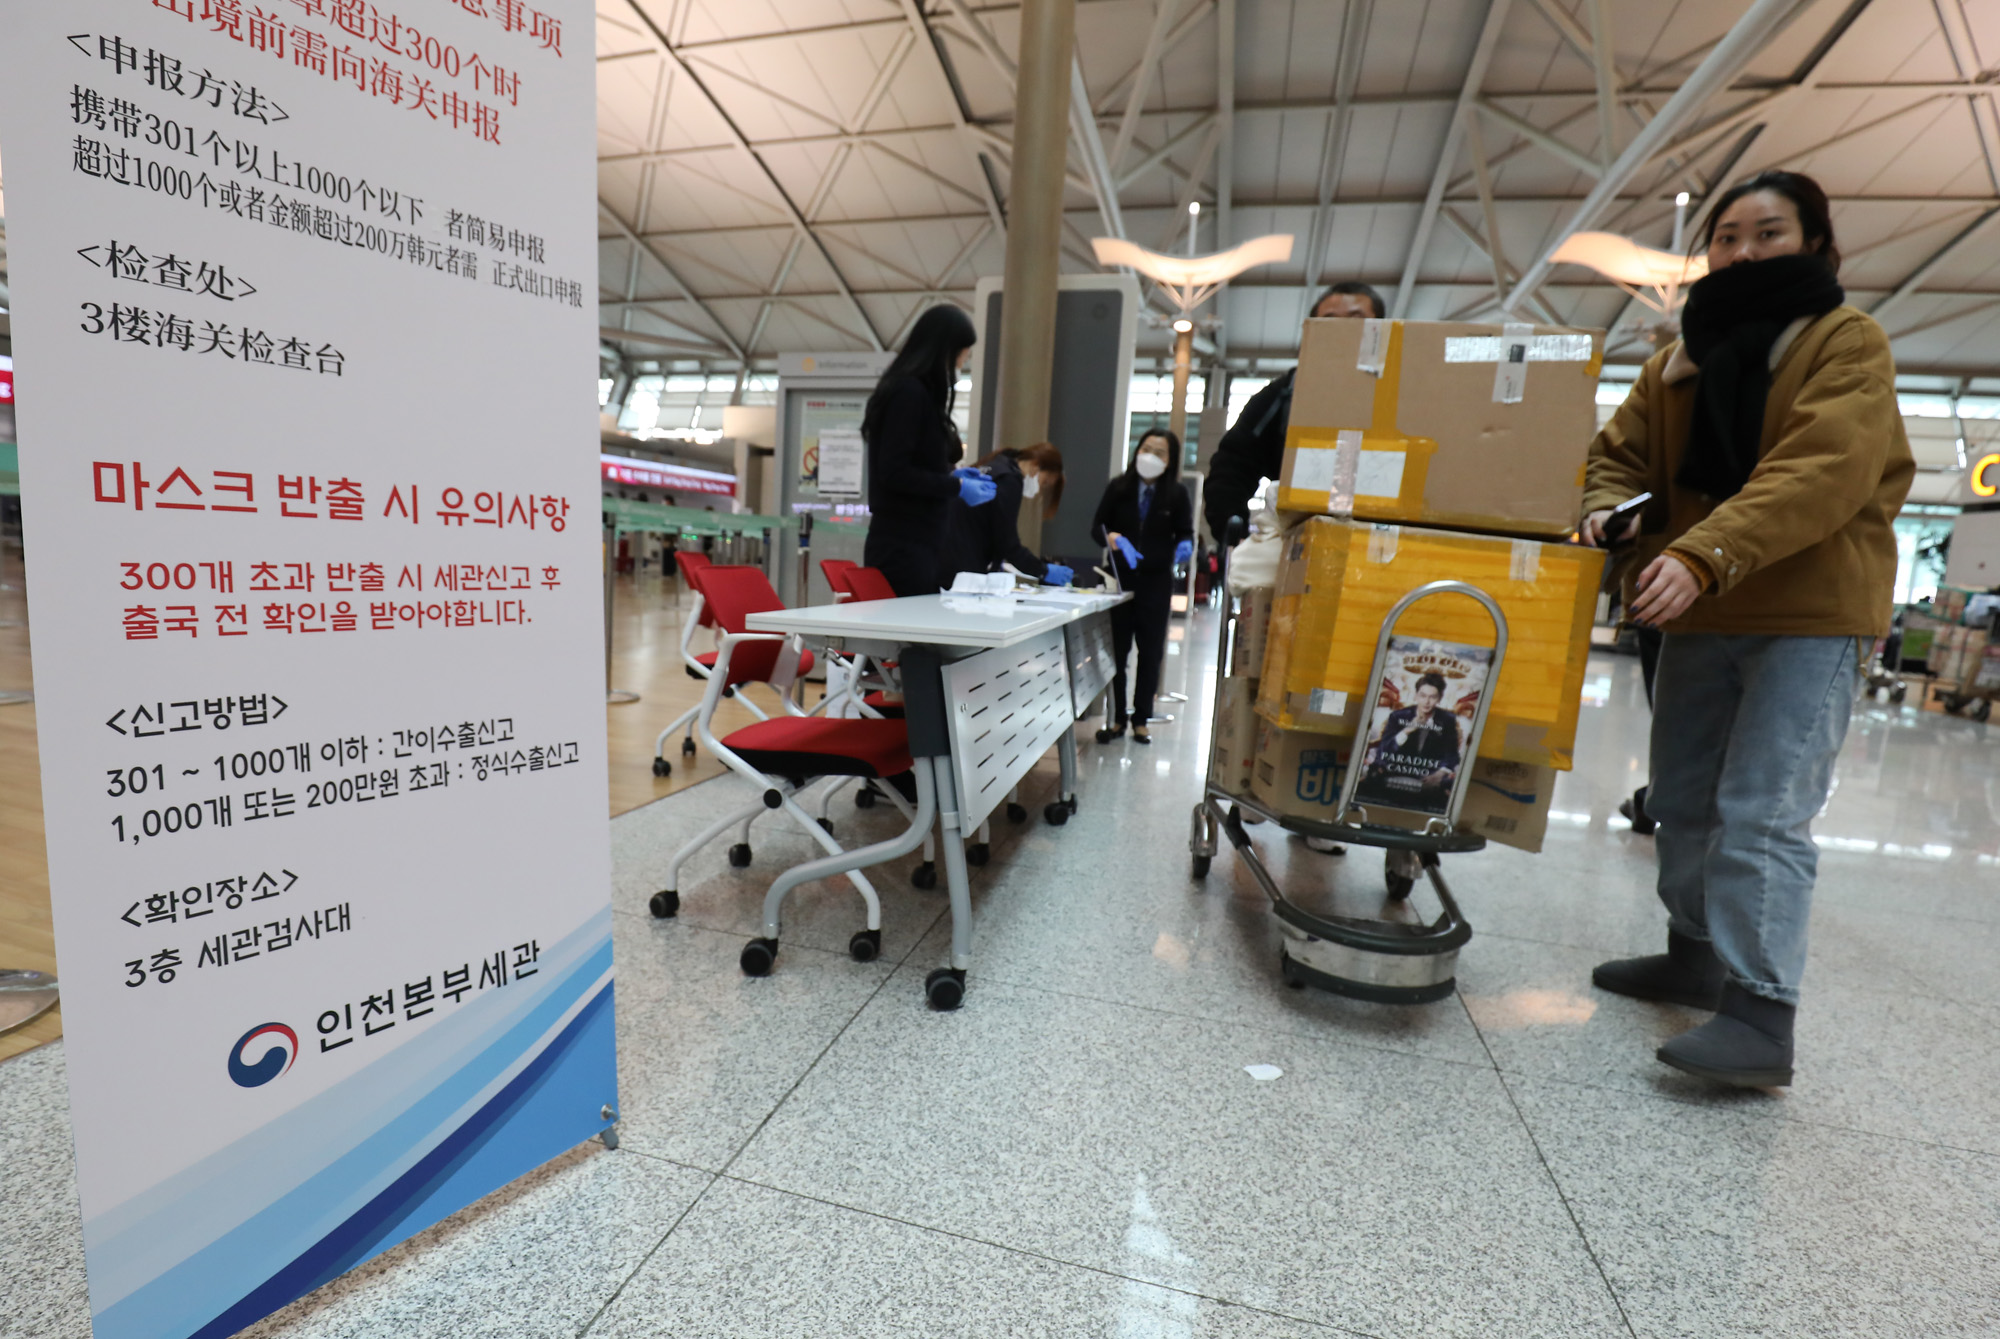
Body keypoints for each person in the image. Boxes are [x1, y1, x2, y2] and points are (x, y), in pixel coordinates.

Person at [1581, 169, 1914, 1089]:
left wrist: (1702, 553)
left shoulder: (1848, 343)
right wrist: (1611, 513)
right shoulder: (1678, 361)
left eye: (1767, 233)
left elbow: (1822, 468)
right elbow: (1614, 458)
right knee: (1683, 800)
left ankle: (1763, 1011)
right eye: (1726, 236)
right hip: (1698, 608)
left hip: (1806, 617)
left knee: (1762, 810)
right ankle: (1693, 954)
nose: (1742, 251)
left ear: (1814, 243)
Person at [1202, 281, 1386, 541]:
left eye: (1357, 319)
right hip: (1299, 541)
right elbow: (1233, 463)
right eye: (1330, 320)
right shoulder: (1282, 396)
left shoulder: (1402, 397)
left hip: (1385, 540)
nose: (1344, 329)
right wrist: (1232, 527)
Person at [861, 305, 996, 596]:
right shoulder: (908, 393)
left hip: (921, 544)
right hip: (902, 548)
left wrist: (953, 474)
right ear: (944, 350)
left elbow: (915, 463)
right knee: (908, 638)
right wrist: (955, 485)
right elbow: (895, 472)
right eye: (963, 354)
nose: (964, 362)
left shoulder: (917, 394)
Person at [1091, 429, 1194, 744]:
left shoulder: (1176, 494)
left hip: (1156, 582)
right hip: (1120, 580)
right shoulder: (1118, 487)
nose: (1150, 456)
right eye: (1146, 448)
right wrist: (1115, 539)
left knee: (1150, 653)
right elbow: (1097, 527)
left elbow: (1186, 532)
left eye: (1159, 452)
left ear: (1170, 460)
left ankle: (1141, 719)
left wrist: (1185, 546)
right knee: (1117, 652)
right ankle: (1118, 717)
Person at [940, 442, 1073, 587]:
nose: (1040, 488)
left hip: (946, 554)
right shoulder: (1009, 480)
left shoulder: (994, 466)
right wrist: (1043, 570)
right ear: (1036, 465)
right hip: (962, 565)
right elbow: (1008, 543)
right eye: (1045, 482)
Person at [1357, 672, 1463, 806]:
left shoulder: (1447, 719)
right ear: (1416, 695)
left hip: (1430, 774)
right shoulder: (1398, 716)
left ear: (1439, 698)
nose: (1427, 702)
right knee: (1371, 776)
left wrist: (1440, 774)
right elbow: (1385, 749)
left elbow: (1452, 754)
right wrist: (1407, 730)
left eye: (1432, 697)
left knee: (1448, 785)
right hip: (1394, 768)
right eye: (1423, 696)